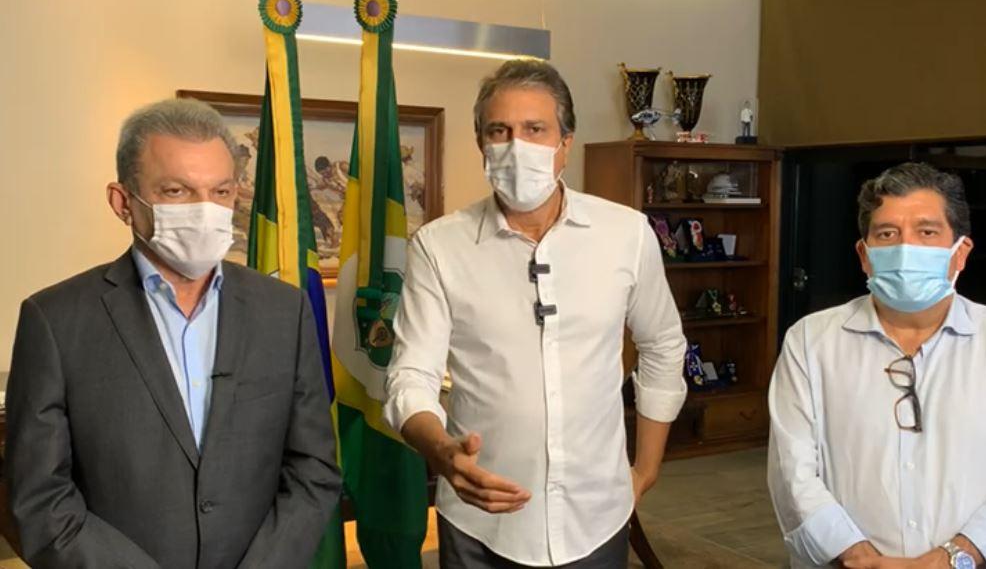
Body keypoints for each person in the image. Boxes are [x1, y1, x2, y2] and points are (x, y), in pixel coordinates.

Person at [5, 99, 341, 568]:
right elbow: (39, 498)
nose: (205, 211)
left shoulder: (284, 311)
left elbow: (313, 469)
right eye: (177, 191)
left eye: (220, 191)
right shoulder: (55, 320)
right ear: (123, 202)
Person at [382, 59, 687, 568]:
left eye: (535, 129)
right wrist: (442, 453)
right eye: (499, 131)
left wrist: (646, 469)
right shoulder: (439, 246)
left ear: (565, 142)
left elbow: (662, 344)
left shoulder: (627, 235)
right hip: (480, 525)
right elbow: (410, 374)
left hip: (595, 518)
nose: (516, 146)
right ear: (481, 144)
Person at [768, 162, 986, 569]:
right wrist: (858, 557)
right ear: (864, 255)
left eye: (926, 232)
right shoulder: (811, 341)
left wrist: (949, 559)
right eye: (887, 234)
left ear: (960, 252)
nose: (905, 247)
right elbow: (792, 473)